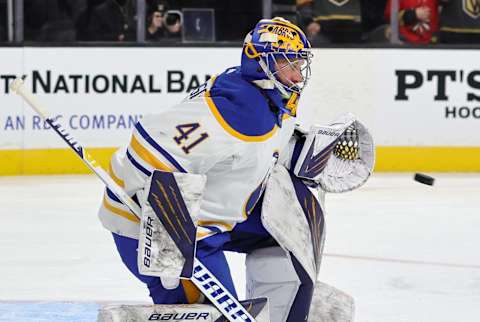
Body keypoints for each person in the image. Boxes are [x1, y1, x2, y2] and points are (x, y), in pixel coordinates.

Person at [98, 17, 373, 322]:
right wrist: (169, 251)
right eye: (289, 65)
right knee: (212, 314)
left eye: (299, 65)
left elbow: (260, 150)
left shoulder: (271, 98)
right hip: (150, 231)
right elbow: (148, 147)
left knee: (285, 236)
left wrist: (308, 155)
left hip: (211, 219)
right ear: (261, 63)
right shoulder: (236, 111)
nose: (297, 76)